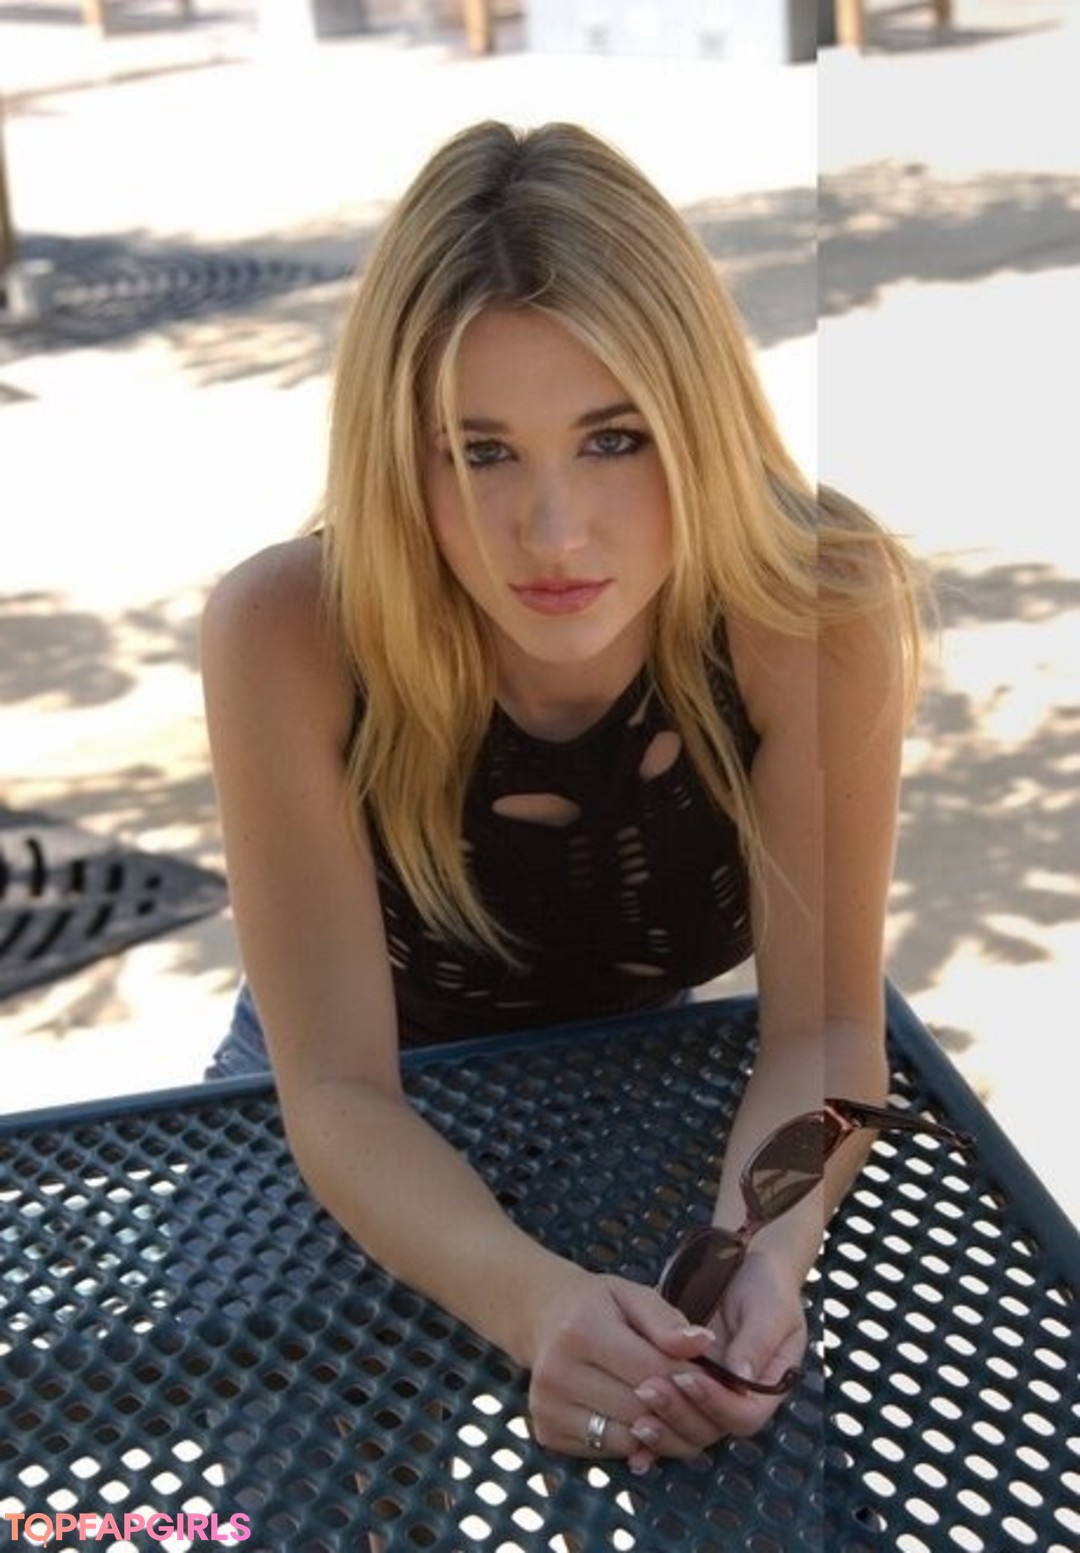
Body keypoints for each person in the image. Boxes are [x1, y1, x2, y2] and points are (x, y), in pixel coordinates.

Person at [200, 119, 923, 1475]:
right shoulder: (286, 631)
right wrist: (531, 1302)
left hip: (636, 1066)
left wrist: (761, 1249)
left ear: (700, 419)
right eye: (478, 451)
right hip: (347, 1091)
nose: (552, 532)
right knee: (300, 1474)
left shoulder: (816, 603)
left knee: (749, 1456)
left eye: (614, 437)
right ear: (396, 453)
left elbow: (829, 1028)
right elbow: (339, 1087)